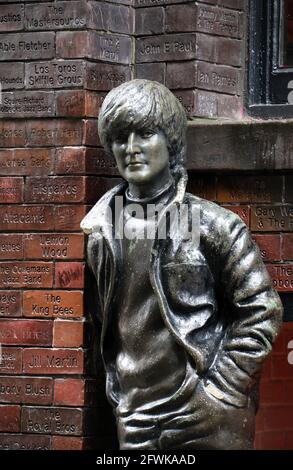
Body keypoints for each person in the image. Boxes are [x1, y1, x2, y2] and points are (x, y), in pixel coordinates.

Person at [81, 79, 283, 450]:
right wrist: (120, 400)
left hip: (205, 413)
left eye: (144, 134)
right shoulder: (99, 232)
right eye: (120, 138)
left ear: (170, 141)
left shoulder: (213, 225)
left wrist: (221, 391)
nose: (131, 149)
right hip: (133, 416)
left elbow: (261, 311)